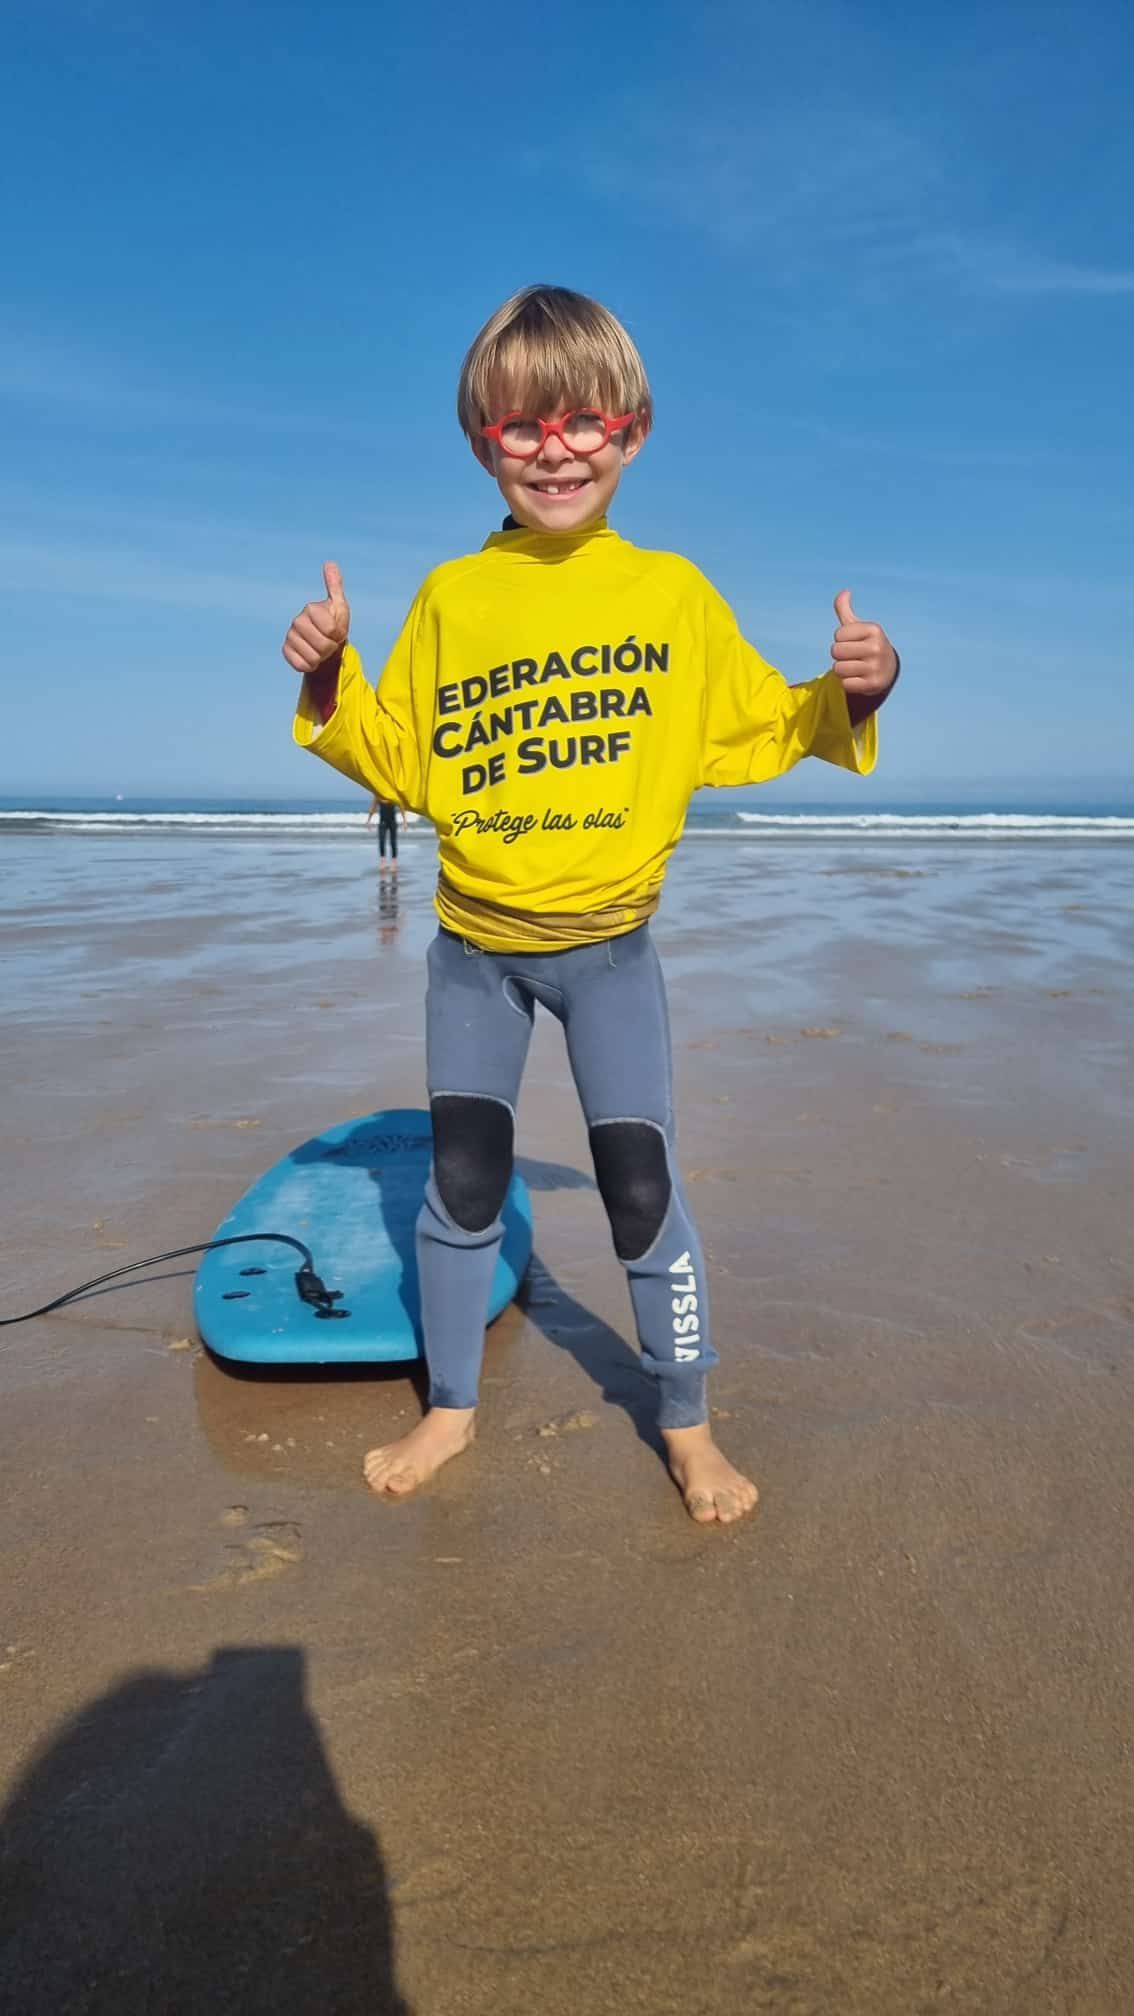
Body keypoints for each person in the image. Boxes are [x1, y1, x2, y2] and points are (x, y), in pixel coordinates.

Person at [282, 284, 900, 1524]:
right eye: (522, 427)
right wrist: (331, 678)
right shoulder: (456, 598)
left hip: (610, 954)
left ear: (633, 432)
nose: (555, 447)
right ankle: (450, 1403)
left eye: (583, 421)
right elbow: (403, 756)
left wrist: (864, 692)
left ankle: (686, 1419)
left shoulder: (669, 595)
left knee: (638, 1186)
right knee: (462, 1181)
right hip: (474, 955)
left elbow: (762, 725)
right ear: (482, 444)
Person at [366, 794, 406, 870]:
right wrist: (369, 820)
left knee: (393, 842)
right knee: (381, 841)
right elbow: (373, 808)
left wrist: (405, 821)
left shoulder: (393, 795)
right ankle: (383, 862)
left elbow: (401, 807)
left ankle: (394, 863)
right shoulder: (378, 796)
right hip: (383, 822)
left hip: (392, 822)